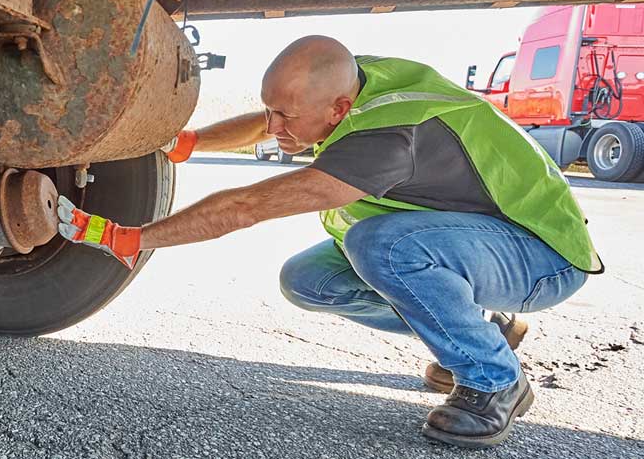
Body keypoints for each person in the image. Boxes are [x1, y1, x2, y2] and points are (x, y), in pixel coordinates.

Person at [56, 35, 601, 448]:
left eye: (285, 117)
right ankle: (484, 337)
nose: (275, 126)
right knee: (309, 281)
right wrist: (187, 143)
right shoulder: (349, 82)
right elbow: (272, 120)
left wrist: (125, 237)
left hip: (539, 255)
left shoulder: (388, 136)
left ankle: (495, 381)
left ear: (339, 110)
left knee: (383, 246)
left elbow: (247, 207)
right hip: (471, 243)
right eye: (272, 109)